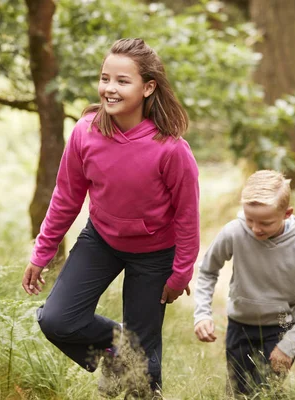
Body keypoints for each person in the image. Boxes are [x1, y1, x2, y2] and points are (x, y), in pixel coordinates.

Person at [21, 38, 200, 398]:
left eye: (122, 81)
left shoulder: (171, 149)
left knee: (142, 364)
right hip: (101, 240)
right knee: (57, 320)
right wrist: (42, 252)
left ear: (148, 87)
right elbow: (66, 197)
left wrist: (180, 273)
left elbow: (187, 216)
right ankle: (118, 341)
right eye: (105, 79)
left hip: (154, 254)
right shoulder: (85, 132)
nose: (110, 88)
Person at [193, 170, 295, 396]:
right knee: (238, 392)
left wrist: (289, 344)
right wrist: (202, 313)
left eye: (265, 223)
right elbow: (208, 270)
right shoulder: (233, 232)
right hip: (240, 324)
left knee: (266, 391)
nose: (255, 229)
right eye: (249, 220)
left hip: (282, 325)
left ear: (287, 213)